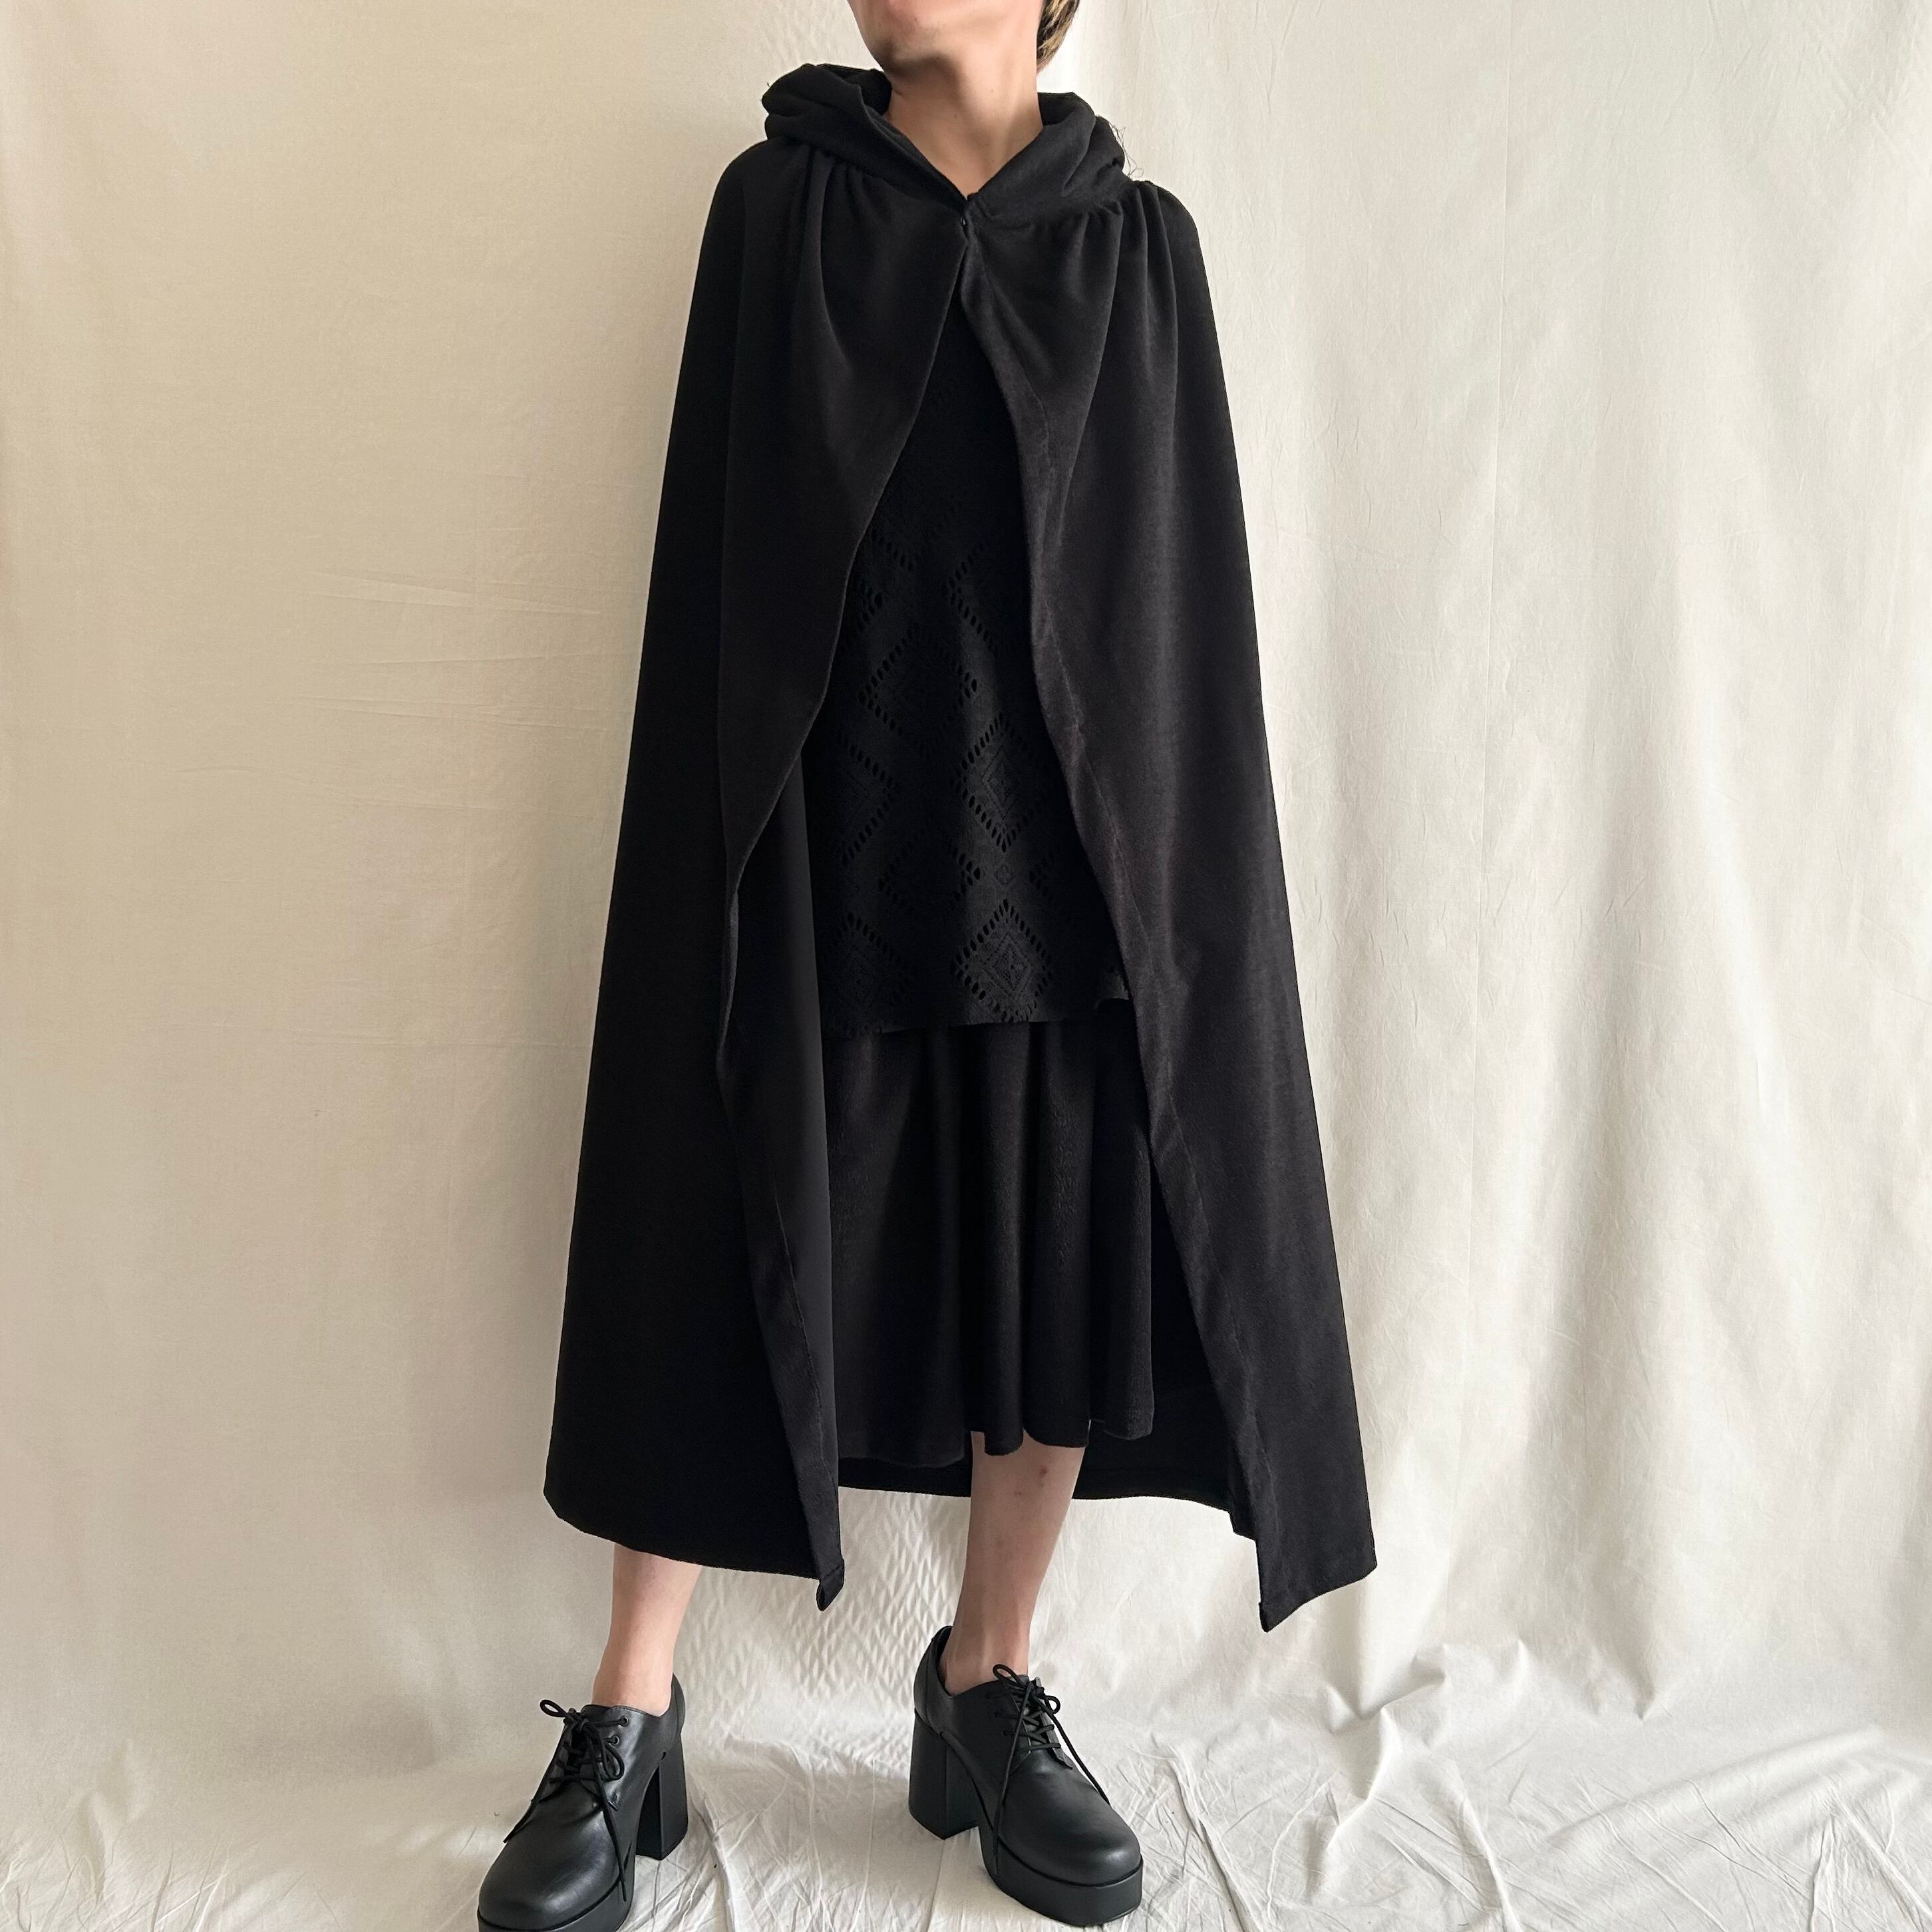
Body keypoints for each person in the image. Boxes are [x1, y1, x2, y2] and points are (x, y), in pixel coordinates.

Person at [478, 3, 1374, 1928]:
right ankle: (631, 1712)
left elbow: (1178, 607)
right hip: (813, 832)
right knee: (721, 1230)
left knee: (1050, 1274)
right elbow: (714, 571)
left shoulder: (1138, 252)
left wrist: (1168, 879)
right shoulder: (777, 212)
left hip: (1063, 856)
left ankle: (987, 1681)